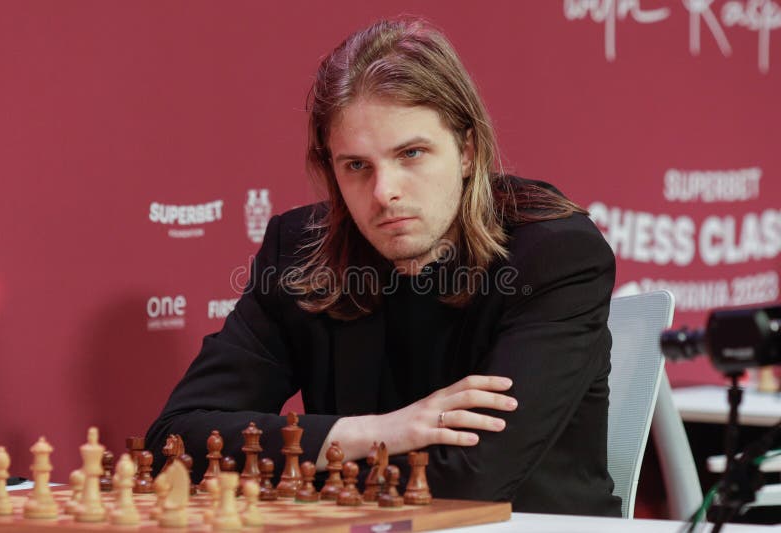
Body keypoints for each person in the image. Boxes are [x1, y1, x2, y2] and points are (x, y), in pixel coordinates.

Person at [146, 18, 621, 516]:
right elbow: (176, 440)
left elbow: (472, 481)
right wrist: (378, 430)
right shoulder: (300, 251)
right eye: (356, 166)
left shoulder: (555, 253)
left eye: (411, 154)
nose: (383, 192)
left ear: (467, 150)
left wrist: (308, 464)